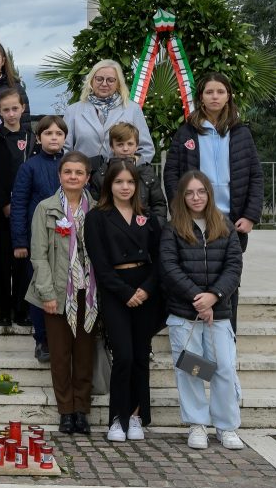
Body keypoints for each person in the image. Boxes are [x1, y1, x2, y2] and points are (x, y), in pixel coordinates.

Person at [163, 72, 263, 331]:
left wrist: (250, 216)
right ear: (201, 97)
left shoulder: (241, 133)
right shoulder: (187, 132)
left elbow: (255, 175)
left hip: (231, 219)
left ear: (228, 96)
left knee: (228, 280)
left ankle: (227, 337)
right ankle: (194, 336)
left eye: (220, 91)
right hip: (194, 219)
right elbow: (171, 172)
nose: (215, 97)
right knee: (194, 274)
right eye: (209, 92)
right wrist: (179, 210)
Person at [159, 171, 245, 451]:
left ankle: (226, 426)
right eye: (189, 193)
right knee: (192, 369)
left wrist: (214, 297)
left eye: (201, 191)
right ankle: (197, 424)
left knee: (223, 368)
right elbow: (169, 268)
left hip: (219, 314)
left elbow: (234, 267)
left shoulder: (225, 226)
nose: (196, 197)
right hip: (185, 315)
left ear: (209, 193)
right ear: (182, 197)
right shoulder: (173, 229)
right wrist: (198, 300)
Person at [84, 160, 161, 443]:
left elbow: (159, 259)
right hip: (116, 291)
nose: (125, 187)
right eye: (119, 182)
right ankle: (118, 417)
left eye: (130, 182)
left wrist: (146, 290)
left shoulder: (148, 216)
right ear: (109, 185)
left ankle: (137, 415)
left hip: (145, 290)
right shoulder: (97, 217)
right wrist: (126, 293)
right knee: (124, 355)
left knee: (141, 355)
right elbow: (100, 264)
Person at [26, 151, 98, 436]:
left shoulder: (97, 209)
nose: (73, 177)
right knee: (59, 354)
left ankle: (82, 410)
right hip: (56, 292)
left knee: (84, 354)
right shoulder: (46, 208)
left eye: (79, 173)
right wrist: (47, 293)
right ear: (59, 175)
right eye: (68, 172)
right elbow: (38, 255)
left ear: (87, 177)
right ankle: (66, 410)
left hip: (88, 294)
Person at [10, 115, 68, 363]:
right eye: (48, 133)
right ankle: (42, 340)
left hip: (68, 240)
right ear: (39, 137)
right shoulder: (29, 167)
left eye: (59, 134)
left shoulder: (71, 164)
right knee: (40, 288)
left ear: (65, 138)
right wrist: (20, 241)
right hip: (39, 240)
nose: (54, 138)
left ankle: (63, 337)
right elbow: (19, 204)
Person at [0, 87, 36, 326]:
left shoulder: (32, 138)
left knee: (24, 262)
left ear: (23, 108)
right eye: (6, 110)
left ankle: (22, 308)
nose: (11, 114)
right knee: (1, 262)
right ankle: (3, 309)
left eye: (15, 108)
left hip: (26, 211)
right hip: (2, 211)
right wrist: (4, 203)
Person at [62, 59, 154, 164]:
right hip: (84, 173)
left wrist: (129, 166)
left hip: (122, 173)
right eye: (99, 79)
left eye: (110, 80)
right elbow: (64, 148)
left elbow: (146, 149)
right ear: (91, 81)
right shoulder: (73, 111)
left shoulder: (133, 109)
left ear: (118, 83)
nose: (104, 84)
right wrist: (75, 168)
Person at [89, 122, 168, 222]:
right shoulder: (101, 175)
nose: (125, 149)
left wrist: (154, 227)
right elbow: (95, 207)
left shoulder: (147, 172)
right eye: (120, 144)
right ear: (112, 147)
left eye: (130, 144)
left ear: (137, 146)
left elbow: (158, 205)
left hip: (144, 227)